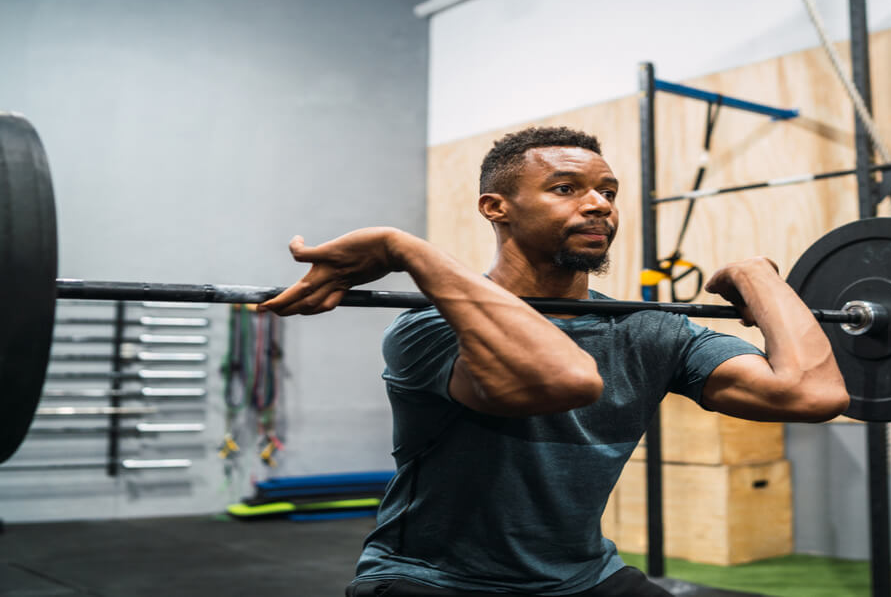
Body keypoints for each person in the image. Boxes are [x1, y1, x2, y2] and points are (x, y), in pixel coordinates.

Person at [259, 126, 848, 597]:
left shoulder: (646, 329)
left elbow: (810, 394)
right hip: (431, 580)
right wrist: (405, 249)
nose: (599, 206)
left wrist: (759, 278)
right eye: (566, 188)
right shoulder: (428, 327)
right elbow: (560, 380)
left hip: (583, 576)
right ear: (497, 207)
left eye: (609, 192)